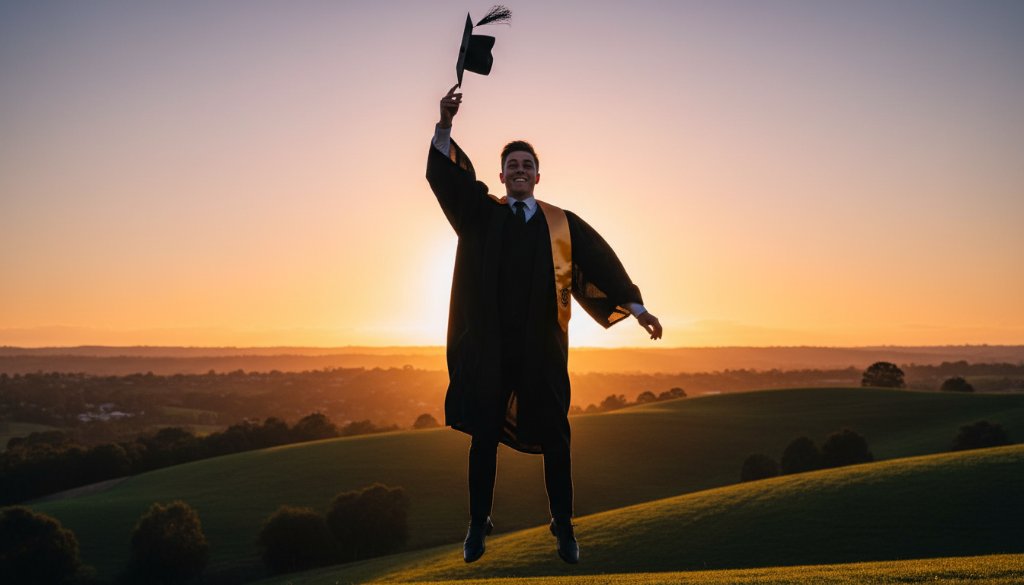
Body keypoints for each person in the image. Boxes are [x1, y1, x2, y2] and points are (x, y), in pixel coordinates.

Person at [426, 84, 662, 565]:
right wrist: (445, 125)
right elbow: (448, 181)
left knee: (557, 436)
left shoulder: (560, 224)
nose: (519, 170)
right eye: (511, 164)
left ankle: (563, 524)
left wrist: (637, 309)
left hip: (542, 348)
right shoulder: (481, 215)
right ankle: (478, 523)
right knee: (484, 436)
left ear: (537, 175)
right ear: (500, 175)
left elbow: (601, 262)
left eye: (526, 165)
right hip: (491, 347)